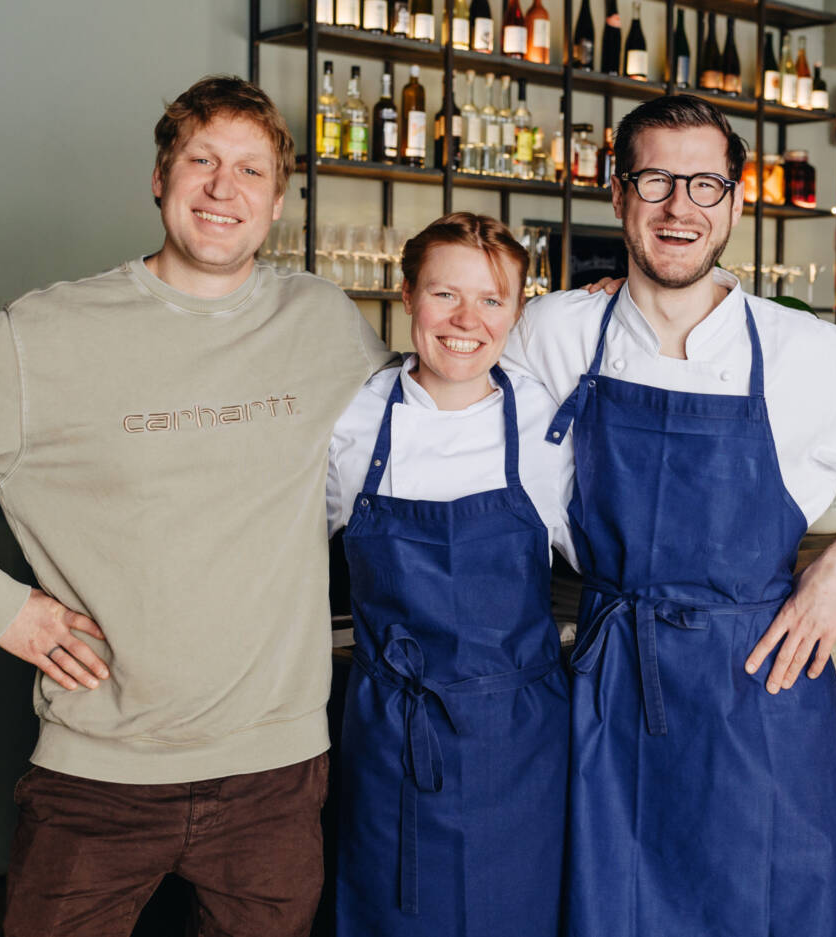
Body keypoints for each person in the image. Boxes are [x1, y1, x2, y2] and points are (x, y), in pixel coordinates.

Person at [0, 76, 394, 937]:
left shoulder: (322, 322)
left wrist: (579, 321)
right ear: (160, 178)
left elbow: (431, 407)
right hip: (97, 777)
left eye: (249, 169)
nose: (222, 187)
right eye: (201, 160)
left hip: (276, 774)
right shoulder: (47, 334)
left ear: (277, 201)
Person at [503, 94, 836, 936]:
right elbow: (454, 387)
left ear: (737, 202)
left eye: (705, 184)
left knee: (781, 904)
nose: (680, 207)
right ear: (617, 194)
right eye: (655, 181)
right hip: (612, 689)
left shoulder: (802, 352)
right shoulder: (554, 329)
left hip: (759, 685)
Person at [325, 212, 577, 937]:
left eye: (492, 300)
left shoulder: (548, 423)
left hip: (518, 742)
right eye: (444, 295)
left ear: (517, 312)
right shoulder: (352, 419)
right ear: (406, 296)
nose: (467, 320)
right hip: (389, 731)